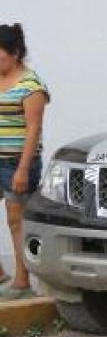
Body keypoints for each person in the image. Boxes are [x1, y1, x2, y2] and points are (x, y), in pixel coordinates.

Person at [0, 24, 49, 300]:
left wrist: (21, 170)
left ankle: (22, 282)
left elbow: (33, 129)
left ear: (16, 53)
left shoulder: (31, 86)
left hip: (17, 163)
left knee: (16, 220)